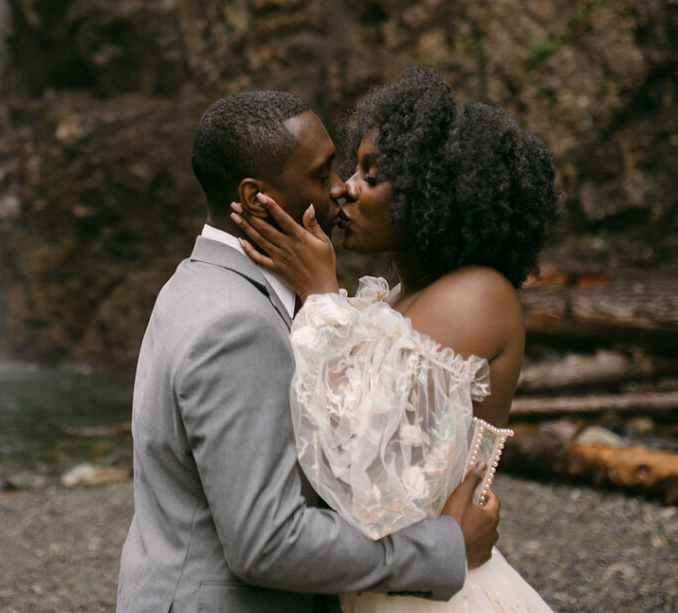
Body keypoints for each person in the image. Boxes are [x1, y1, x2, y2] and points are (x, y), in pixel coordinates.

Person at [117, 90, 500, 613]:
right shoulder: (239, 326)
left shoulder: (194, 284)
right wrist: (444, 549)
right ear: (256, 198)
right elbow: (268, 540)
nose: (341, 189)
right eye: (323, 176)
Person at [230, 69, 562, 612]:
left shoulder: (478, 294)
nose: (346, 189)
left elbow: (359, 450)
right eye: (353, 169)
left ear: (437, 194)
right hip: (386, 585)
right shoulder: (389, 301)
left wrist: (319, 293)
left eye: (372, 175)